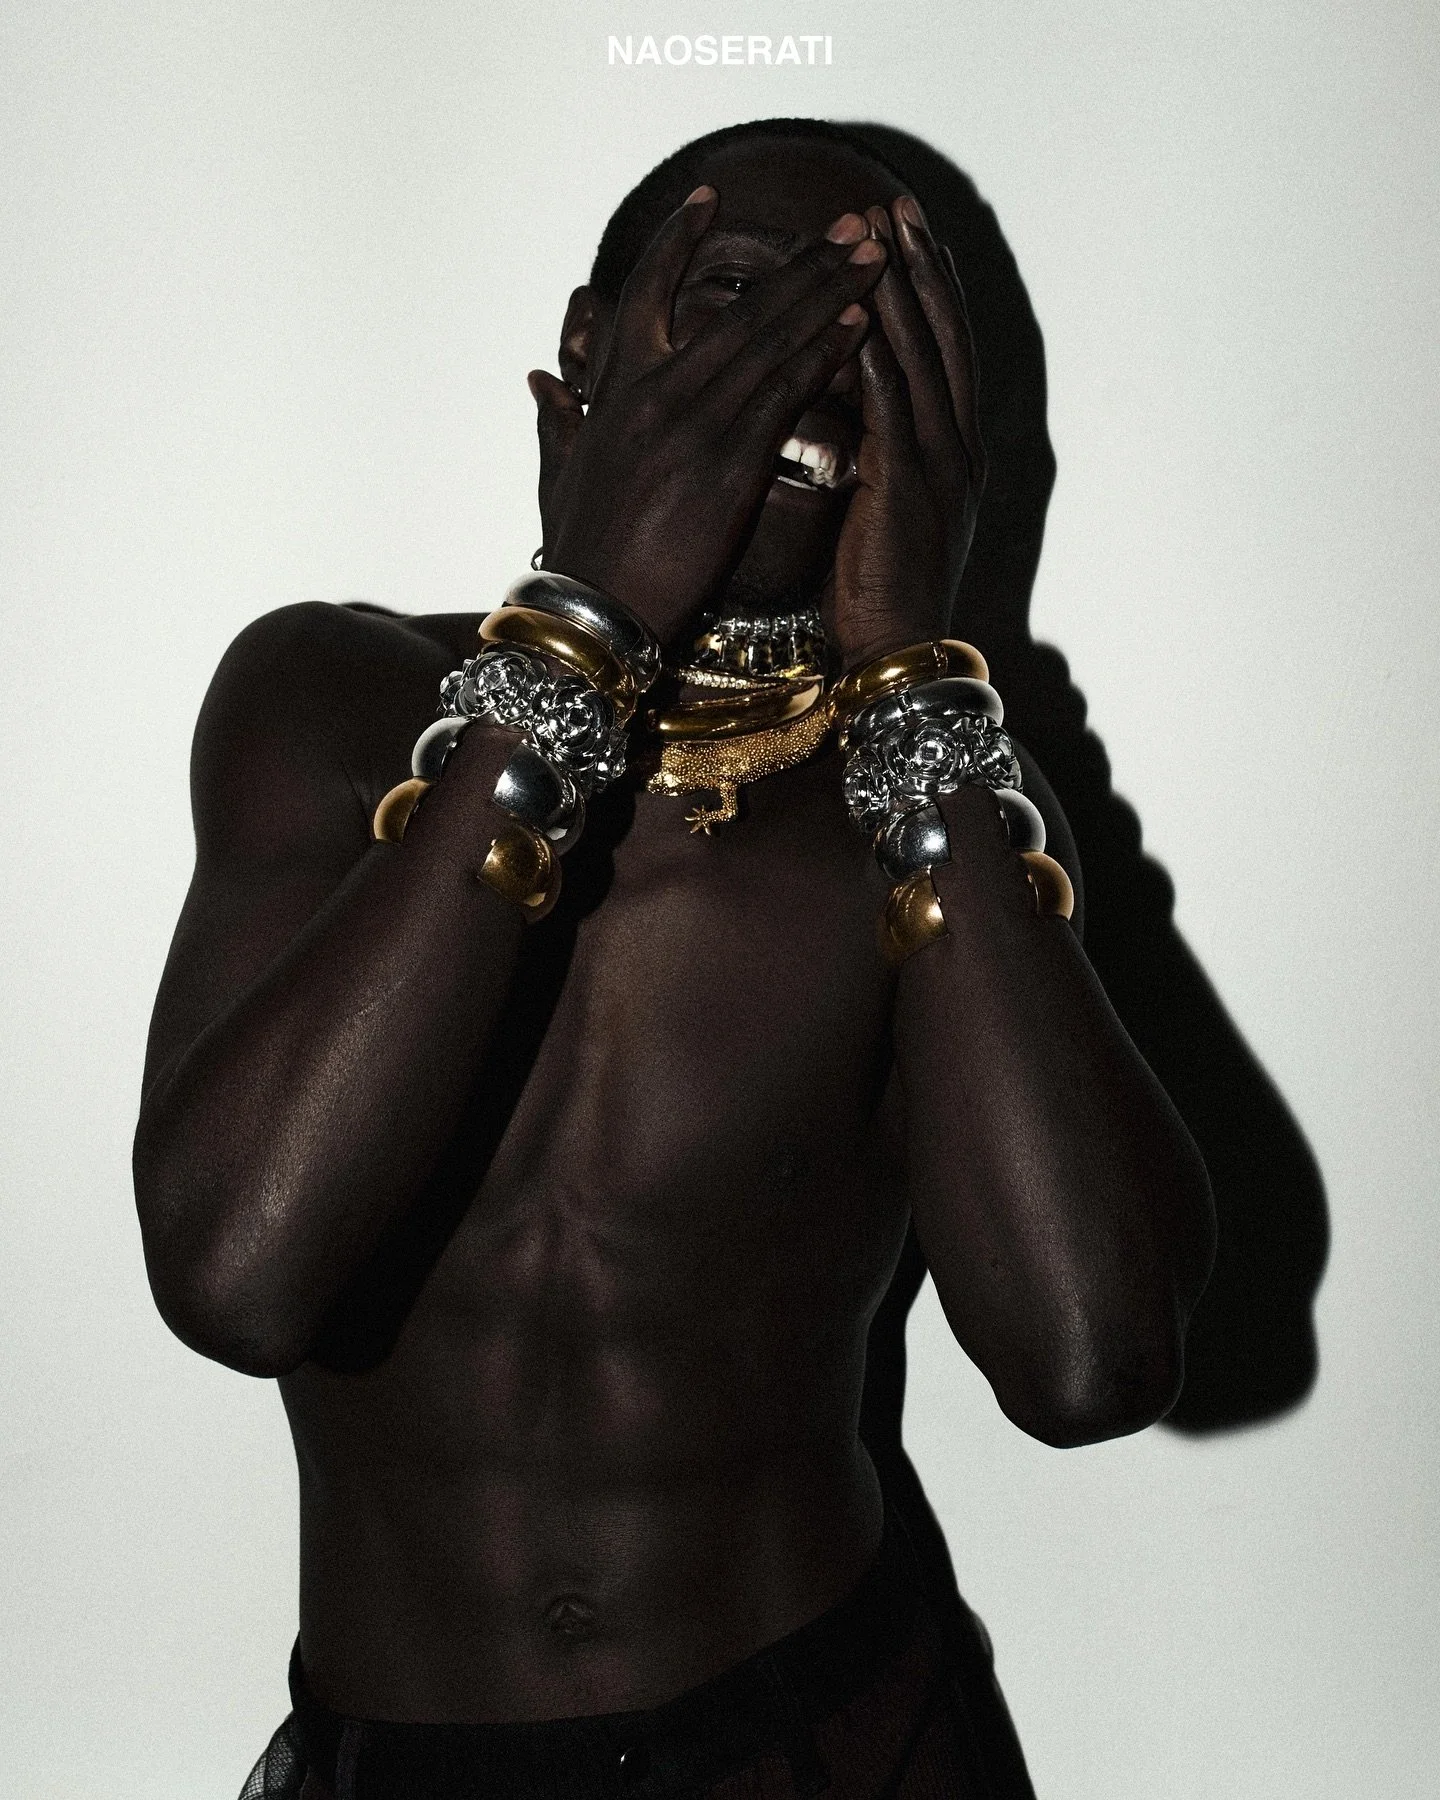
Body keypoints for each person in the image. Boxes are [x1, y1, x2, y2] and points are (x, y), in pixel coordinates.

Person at [134, 118, 1215, 1799]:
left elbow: (1089, 1358)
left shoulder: (928, 802)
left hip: (838, 1738)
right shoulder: (331, 703)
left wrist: (912, 680)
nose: (803, 363)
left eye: (875, 336)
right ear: (592, 347)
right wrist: (590, 614)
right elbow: (237, 1271)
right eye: (737, 296)